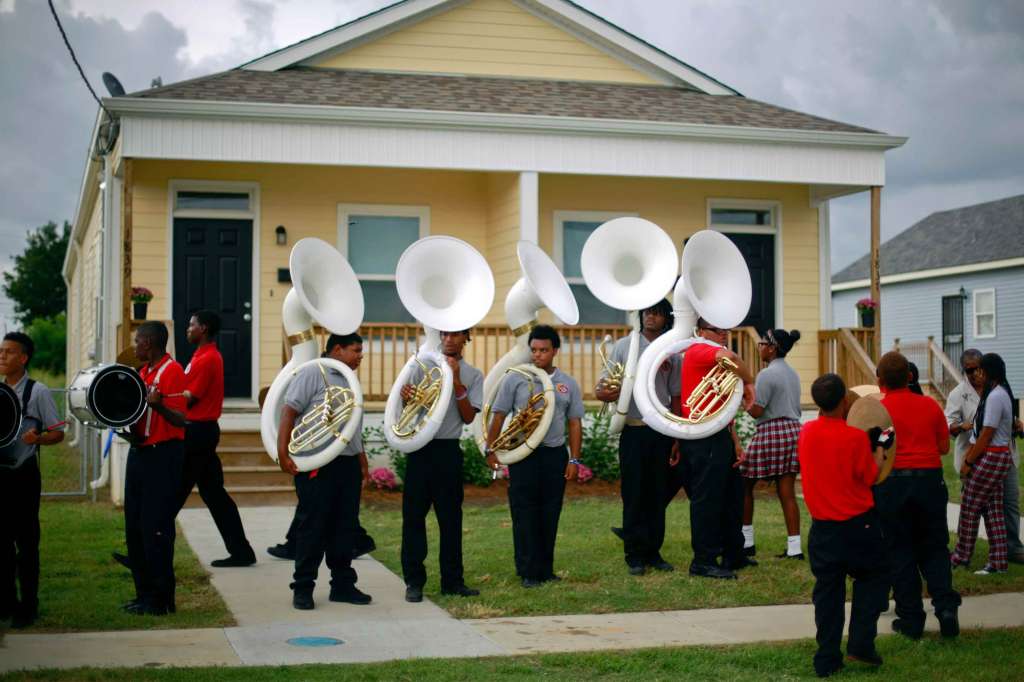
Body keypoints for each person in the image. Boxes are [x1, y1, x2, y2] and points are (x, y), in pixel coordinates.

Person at [800, 373, 890, 677]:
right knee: (873, 580)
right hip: (858, 527)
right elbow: (871, 476)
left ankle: (826, 658)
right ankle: (861, 646)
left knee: (828, 594)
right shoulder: (854, 438)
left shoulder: (806, 433)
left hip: (823, 529)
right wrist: (879, 446)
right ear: (844, 401)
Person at [276, 333, 370, 610]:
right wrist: (282, 452)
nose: (360, 355)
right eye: (356, 350)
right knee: (312, 527)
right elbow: (289, 412)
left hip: (347, 463)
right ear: (337, 350)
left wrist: (362, 461)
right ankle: (302, 588)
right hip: (318, 463)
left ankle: (342, 585)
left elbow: (351, 428)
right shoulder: (312, 373)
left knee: (345, 527)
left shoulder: (350, 379)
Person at [485, 325, 584, 588]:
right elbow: (498, 414)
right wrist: (490, 448)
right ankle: (528, 570)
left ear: (555, 351)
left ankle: (545, 569)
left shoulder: (567, 384)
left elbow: (574, 423)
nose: (537, 355)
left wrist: (574, 459)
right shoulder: (515, 378)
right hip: (523, 455)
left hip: (554, 455)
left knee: (550, 512)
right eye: (534, 350)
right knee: (524, 512)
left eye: (543, 350)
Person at [874, 351, 961, 639]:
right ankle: (946, 609)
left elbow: (880, 451)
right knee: (935, 547)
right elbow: (944, 448)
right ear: (910, 377)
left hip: (894, 485)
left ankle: (911, 620)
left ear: (880, 381)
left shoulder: (880, 412)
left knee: (900, 551)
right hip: (929, 482)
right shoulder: (930, 406)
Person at [595, 299, 680, 576]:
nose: (650, 317)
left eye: (656, 313)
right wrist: (609, 392)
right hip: (633, 428)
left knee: (657, 493)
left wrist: (678, 434)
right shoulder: (624, 346)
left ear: (666, 318)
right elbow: (602, 389)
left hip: (662, 430)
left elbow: (676, 396)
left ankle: (653, 551)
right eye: (646, 312)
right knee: (633, 493)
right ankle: (633, 554)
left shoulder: (673, 350)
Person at [400, 330, 483, 602]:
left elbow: (469, 417)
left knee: (450, 520)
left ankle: (453, 581)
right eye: (444, 334)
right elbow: (406, 405)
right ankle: (414, 582)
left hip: (448, 450)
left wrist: (456, 380)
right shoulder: (421, 365)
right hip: (419, 449)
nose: (448, 339)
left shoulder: (473, 374)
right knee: (413, 519)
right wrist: (406, 395)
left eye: (455, 335)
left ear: (465, 339)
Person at [674, 317, 756, 580]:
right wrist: (750, 383)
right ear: (700, 331)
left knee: (733, 495)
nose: (723, 334)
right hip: (702, 437)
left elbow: (721, 403)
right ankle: (703, 560)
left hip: (719, 433)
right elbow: (731, 357)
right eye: (717, 330)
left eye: (725, 330)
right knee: (707, 501)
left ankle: (733, 553)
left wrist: (735, 441)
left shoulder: (712, 358)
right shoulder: (699, 349)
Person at [176, 310, 256, 567]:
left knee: (173, 493)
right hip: (201, 431)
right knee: (214, 494)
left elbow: (191, 396)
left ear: (205, 329)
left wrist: (160, 397)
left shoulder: (208, 358)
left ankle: (144, 552)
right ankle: (242, 552)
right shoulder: (200, 355)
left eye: (192, 325)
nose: (188, 329)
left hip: (198, 432)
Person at [0, 332, 64, 628]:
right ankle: (6, 602)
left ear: (23, 358)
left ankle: (28, 605)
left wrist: (38, 438)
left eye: (9, 352)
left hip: (24, 475)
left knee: (26, 542)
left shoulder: (38, 392)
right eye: (1, 351)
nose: (2, 357)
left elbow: (58, 432)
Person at [124, 322, 188, 616]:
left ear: (149, 342)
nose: (135, 346)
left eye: (138, 341)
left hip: (163, 456)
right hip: (139, 452)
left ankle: (162, 599)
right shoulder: (142, 372)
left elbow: (181, 420)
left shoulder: (172, 371)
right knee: (135, 528)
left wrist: (158, 406)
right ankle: (144, 594)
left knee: (156, 529)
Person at [947, 348, 1024, 564]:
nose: (974, 373)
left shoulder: (997, 391)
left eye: (978, 368)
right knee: (974, 506)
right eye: (969, 370)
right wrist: (963, 426)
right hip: (974, 456)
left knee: (1006, 504)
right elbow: (948, 424)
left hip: (997, 456)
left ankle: (1010, 549)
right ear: (964, 370)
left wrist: (1016, 424)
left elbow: (990, 429)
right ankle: (976, 553)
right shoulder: (957, 394)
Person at [741, 328, 804, 560]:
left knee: (744, 484)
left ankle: (746, 542)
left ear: (772, 347)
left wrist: (741, 397)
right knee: (786, 490)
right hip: (794, 430)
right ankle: (795, 547)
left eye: (762, 343)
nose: (760, 347)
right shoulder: (792, 373)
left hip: (772, 430)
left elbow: (757, 412)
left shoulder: (766, 375)